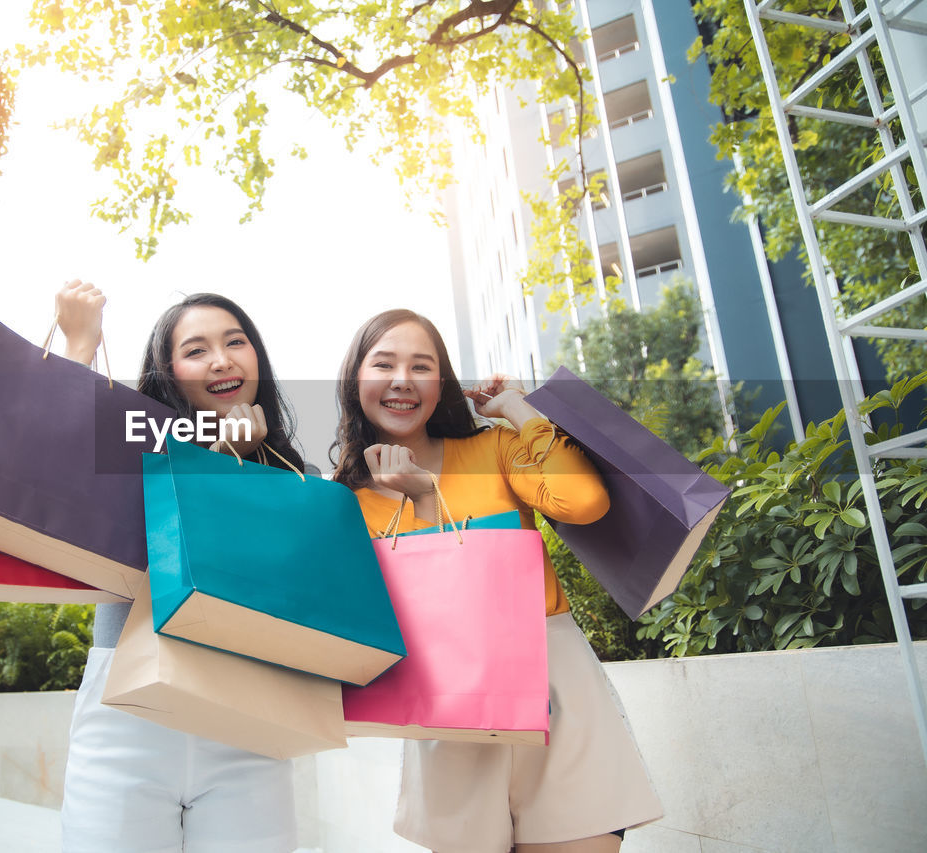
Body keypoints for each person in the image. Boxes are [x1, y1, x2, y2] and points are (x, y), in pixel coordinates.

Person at [330, 309, 662, 853]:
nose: (402, 380)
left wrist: (515, 410)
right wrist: (423, 501)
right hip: (448, 709)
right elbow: (404, 615)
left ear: (441, 385)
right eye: (384, 363)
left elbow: (584, 501)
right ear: (355, 380)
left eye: (422, 366)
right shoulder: (347, 500)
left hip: (554, 684)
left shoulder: (492, 449)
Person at [54, 280, 305, 853]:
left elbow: (283, 592)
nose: (221, 359)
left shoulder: (295, 474)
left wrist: (240, 465)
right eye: (196, 350)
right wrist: (80, 348)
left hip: (249, 722)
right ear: (170, 372)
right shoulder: (129, 452)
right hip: (128, 714)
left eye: (235, 341)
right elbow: (56, 480)